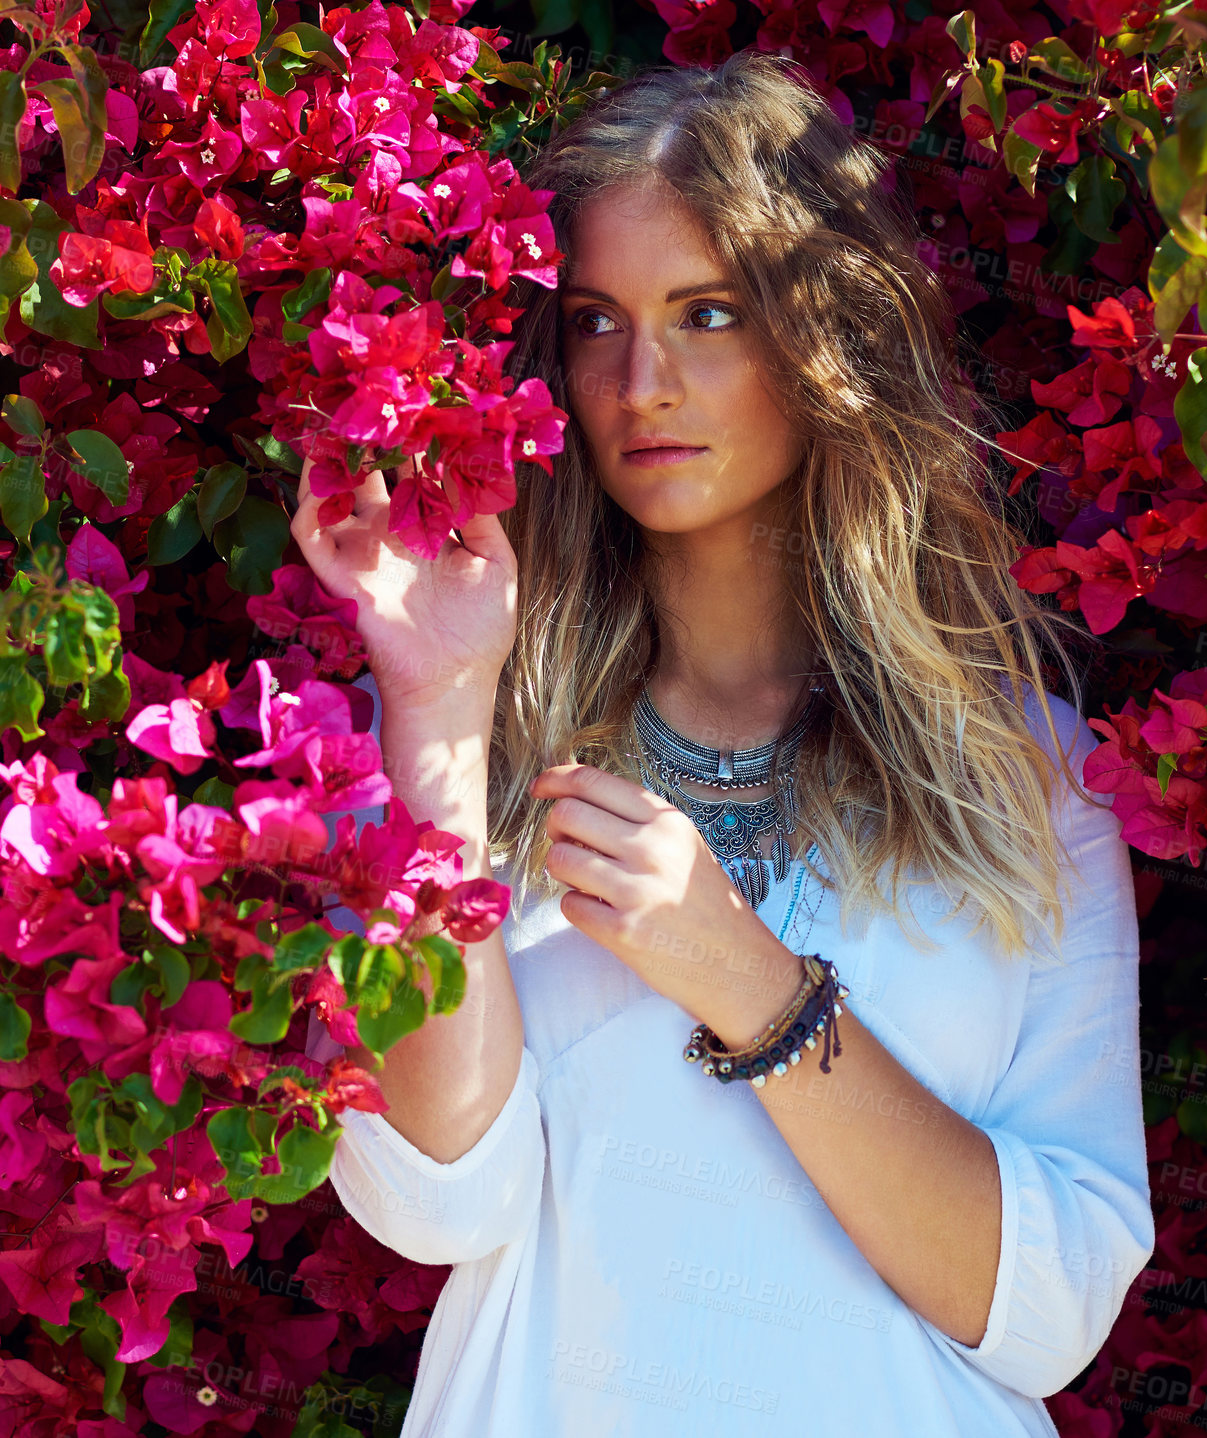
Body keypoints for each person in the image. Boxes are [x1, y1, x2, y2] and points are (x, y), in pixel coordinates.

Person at [293, 49, 1155, 1438]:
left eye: (708, 312)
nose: (642, 380)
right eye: (594, 321)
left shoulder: (1025, 773)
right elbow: (431, 1200)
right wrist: (440, 714)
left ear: (824, 340)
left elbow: (1045, 1312)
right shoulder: (468, 758)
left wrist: (745, 977)